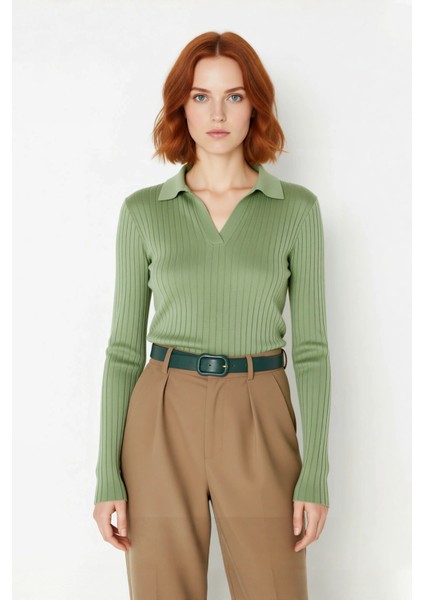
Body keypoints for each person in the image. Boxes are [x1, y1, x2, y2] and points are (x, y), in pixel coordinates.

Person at [92, 30, 331, 600]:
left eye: (234, 96)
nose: (217, 114)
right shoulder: (143, 212)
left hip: (259, 409)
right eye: (201, 96)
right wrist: (107, 475)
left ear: (255, 106)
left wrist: (316, 472)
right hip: (161, 413)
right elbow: (123, 350)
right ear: (182, 106)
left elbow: (312, 351)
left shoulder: (296, 210)